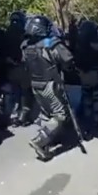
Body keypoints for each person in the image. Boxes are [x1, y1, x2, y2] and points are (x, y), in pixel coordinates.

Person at [21, 15, 76, 159]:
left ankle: (52, 138)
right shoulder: (51, 44)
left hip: (35, 85)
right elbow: (68, 60)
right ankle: (40, 141)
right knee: (60, 115)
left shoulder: (25, 46)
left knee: (47, 113)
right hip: (50, 84)